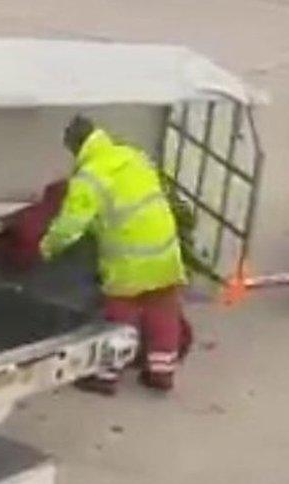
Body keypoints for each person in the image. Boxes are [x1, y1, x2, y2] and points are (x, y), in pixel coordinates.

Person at [40, 115, 190, 394]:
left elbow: (71, 225)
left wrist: (48, 247)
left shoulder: (90, 177)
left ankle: (106, 376)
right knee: (163, 312)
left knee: (120, 318)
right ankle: (162, 372)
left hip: (128, 261)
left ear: (76, 146)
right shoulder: (132, 155)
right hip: (166, 249)